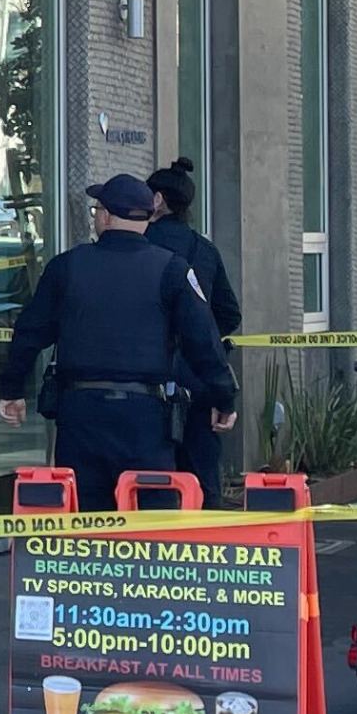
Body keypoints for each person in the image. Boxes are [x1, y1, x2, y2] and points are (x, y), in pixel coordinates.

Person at [0, 174, 237, 509]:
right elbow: (204, 341)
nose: (95, 216)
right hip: (146, 420)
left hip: (81, 416)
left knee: (85, 521)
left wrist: (12, 389)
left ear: (105, 216)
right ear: (148, 217)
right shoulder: (172, 270)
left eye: (96, 209)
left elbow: (29, 332)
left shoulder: (66, 267)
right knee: (152, 525)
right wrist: (223, 398)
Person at [145, 159, 245, 502]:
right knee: (203, 477)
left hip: (146, 382)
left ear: (157, 200)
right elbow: (230, 314)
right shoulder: (203, 249)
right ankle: (206, 545)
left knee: (151, 483)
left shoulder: (140, 244)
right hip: (197, 380)